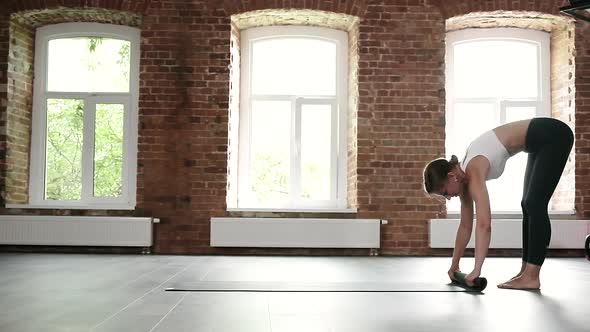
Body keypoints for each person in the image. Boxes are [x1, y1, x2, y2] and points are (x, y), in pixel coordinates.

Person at [423, 117, 574, 290]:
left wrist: (477, 269)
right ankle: (525, 272)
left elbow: (484, 224)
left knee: (534, 204)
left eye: (444, 193)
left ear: (452, 177)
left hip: (554, 134)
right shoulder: (463, 178)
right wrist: (454, 265)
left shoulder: (473, 169)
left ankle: (532, 276)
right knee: (528, 204)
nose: (448, 198)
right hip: (538, 142)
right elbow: (465, 226)